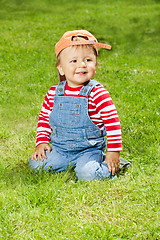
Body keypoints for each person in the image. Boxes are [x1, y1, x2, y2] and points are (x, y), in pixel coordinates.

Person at [29, 30, 128, 181]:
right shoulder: (53, 93)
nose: (81, 65)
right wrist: (41, 141)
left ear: (96, 64)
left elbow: (112, 123)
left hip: (88, 151)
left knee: (87, 174)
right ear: (61, 68)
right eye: (73, 61)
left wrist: (113, 151)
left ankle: (112, 165)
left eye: (88, 60)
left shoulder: (97, 93)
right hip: (60, 149)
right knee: (36, 165)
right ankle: (67, 162)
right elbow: (44, 119)